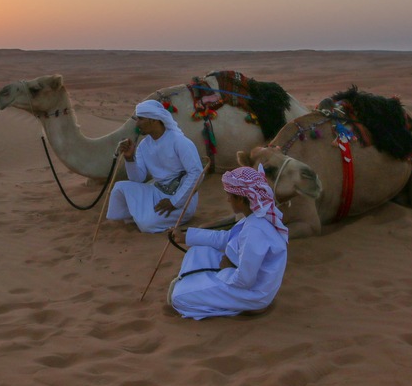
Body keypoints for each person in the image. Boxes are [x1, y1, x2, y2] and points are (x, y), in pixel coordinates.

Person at [167, 166, 289, 319]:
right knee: (197, 250)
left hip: (252, 293)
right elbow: (226, 238)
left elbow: (245, 281)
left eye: (229, 196)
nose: (227, 199)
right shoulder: (254, 217)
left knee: (179, 297)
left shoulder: (256, 230)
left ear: (240, 198)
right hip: (238, 270)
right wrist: (186, 237)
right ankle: (198, 284)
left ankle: (241, 307)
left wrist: (226, 268)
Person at [106, 99, 204, 233]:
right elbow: (137, 179)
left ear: (154, 120)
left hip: (182, 199)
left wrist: (174, 202)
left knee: (147, 224)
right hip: (157, 191)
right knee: (119, 187)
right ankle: (140, 215)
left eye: (140, 119)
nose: (137, 123)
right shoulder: (144, 145)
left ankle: (144, 216)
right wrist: (130, 159)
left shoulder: (180, 142)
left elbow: (197, 174)